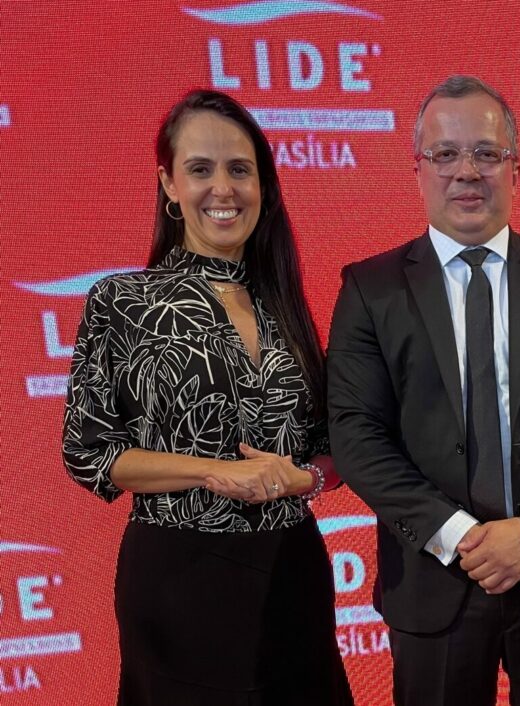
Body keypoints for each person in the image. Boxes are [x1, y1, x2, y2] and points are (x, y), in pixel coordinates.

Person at [327, 75, 520, 706]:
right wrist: (458, 533)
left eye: (486, 153)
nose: (466, 171)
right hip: (433, 579)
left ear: (516, 169)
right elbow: (355, 435)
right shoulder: (370, 289)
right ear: (418, 169)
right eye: (445, 153)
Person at [62, 89, 353, 706]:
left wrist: (302, 480)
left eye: (240, 169)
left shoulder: (285, 305)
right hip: (179, 581)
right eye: (200, 169)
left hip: (292, 574)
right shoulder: (121, 302)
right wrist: (211, 471)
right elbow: (90, 454)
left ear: (263, 187)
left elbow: (332, 451)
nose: (223, 188)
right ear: (169, 185)